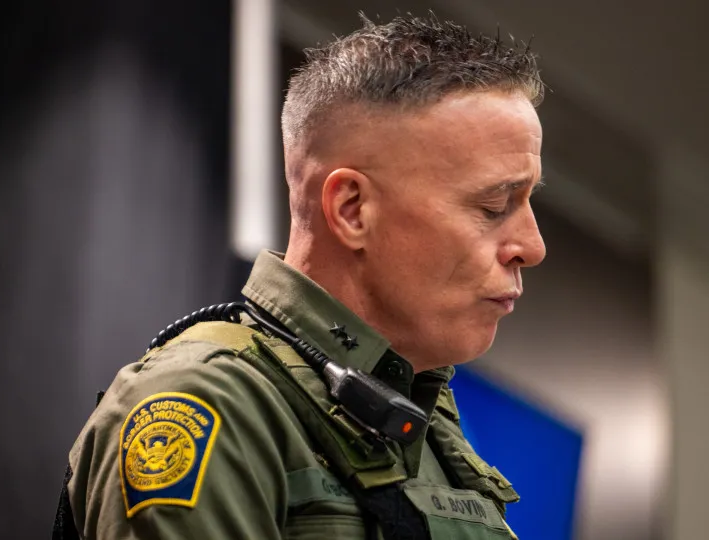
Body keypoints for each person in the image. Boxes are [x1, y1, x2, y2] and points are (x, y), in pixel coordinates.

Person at [54, 11, 546, 540]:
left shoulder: (423, 422)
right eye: (494, 206)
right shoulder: (210, 406)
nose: (532, 247)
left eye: (527, 202)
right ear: (352, 210)